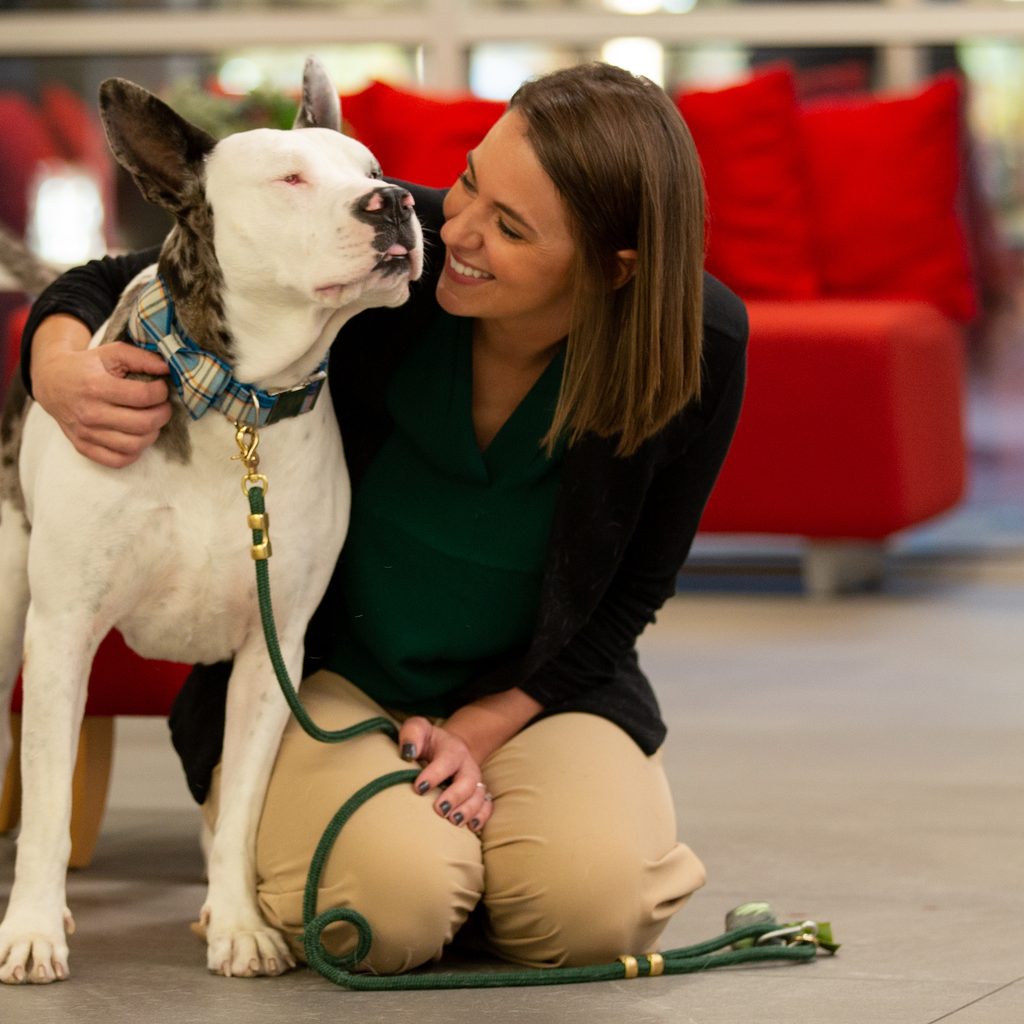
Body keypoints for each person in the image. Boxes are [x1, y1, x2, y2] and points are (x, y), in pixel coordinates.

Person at [20, 62, 747, 974]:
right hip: (325, 681)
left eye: (510, 228)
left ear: (613, 269)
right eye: (469, 181)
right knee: (387, 910)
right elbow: (138, 270)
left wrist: (485, 726)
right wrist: (52, 363)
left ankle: (476, 859)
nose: (458, 229)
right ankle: (398, 850)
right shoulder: (390, 257)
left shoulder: (696, 346)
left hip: (538, 692)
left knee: (589, 916)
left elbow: (636, 586)